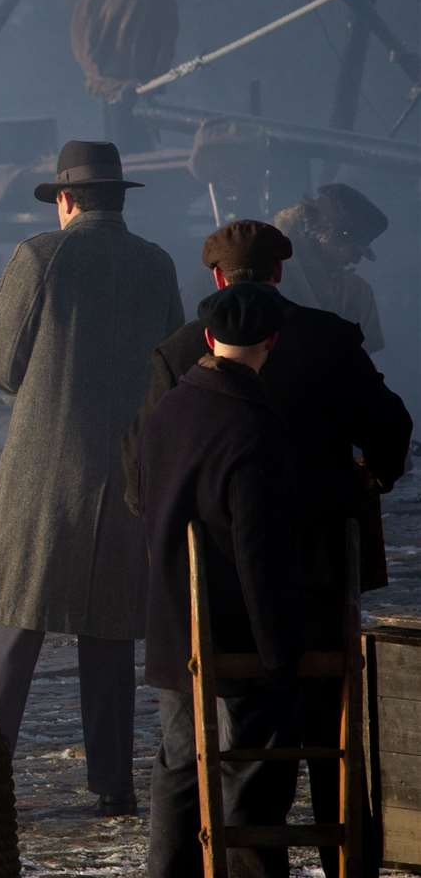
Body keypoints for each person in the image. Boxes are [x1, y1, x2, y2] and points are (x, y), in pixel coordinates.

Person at [124, 219, 411, 876]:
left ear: (217, 280)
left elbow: (139, 479)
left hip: (194, 601)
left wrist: (186, 540)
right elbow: (392, 426)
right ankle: (343, 864)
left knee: (181, 754)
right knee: (321, 740)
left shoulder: (177, 355)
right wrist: (372, 476)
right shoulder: (331, 340)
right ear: (280, 273)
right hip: (313, 590)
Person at [0, 140, 184, 817]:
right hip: (127, 474)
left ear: (65, 200)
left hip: (44, 473)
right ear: (117, 199)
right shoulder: (156, 264)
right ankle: (112, 786)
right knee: (108, 632)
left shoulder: (40, 257)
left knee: (15, 625)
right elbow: (173, 370)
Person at [141, 282, 306, 878]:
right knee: (253, 774)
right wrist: (277, 655)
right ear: (271, 343)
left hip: (173, 623)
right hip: (236, 632)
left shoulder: (170, 410)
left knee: (180, 764)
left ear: (208, 339)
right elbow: (256, 553)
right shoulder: (254, 428)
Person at [274, 183, 388, 351]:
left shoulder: (358, 292)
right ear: (329, 232)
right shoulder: (275, 273)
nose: (356, 260)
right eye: (353, 250)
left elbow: (365, 353)